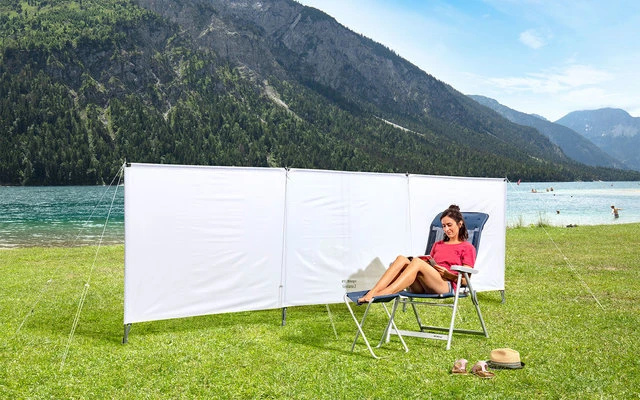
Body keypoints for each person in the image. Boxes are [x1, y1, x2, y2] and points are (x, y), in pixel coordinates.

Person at [358, 204, 476, 303]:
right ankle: (373, 292)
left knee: (417, 262)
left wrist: (448, 275)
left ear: (460, 224)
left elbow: (466, 281)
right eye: (443, 226)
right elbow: (429, 264)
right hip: (424, 285)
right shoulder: (437, 245)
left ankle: (385, 293)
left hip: (445, 285)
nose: (446, 229)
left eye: (449, 225)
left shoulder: (467, 248)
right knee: (401, 259)